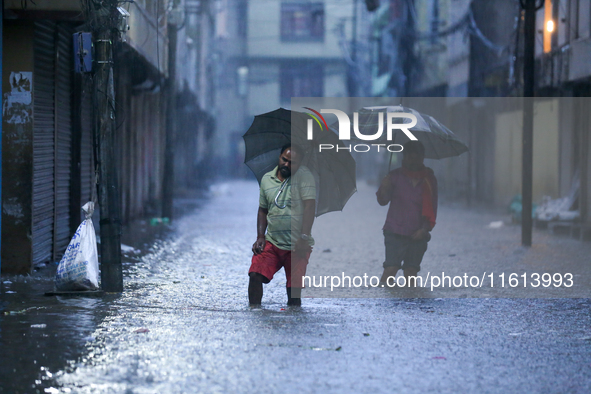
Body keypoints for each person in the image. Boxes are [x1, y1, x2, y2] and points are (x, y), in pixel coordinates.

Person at [249, 144, 316, 306]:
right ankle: (254, 314)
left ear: (299, 164)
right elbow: (263, 210)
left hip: (297, 244)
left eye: (292, 162)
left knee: (293, 292)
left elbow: (309, 207)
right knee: (255, 274)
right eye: (284, 160)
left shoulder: (305, 177)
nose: (286, 164)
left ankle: (293, 322)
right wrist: (260, 237)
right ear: (279, 157)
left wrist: (303, 237)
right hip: (272, 242)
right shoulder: (267, 179)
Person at [376, 140, 438, 287]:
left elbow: (433, 207)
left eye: (417, 158)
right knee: (390, 269)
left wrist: (424, 229)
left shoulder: (428, 179)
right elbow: (382, 201)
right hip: (394, 231)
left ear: (422, 158)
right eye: (410, 157)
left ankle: (411, 304)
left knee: (411, 272)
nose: (414, 161)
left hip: (417, 233)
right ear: (404, 158)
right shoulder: (395, 177)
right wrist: (384, 187)